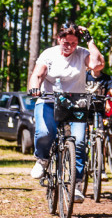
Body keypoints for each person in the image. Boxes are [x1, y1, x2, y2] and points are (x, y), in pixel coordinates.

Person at [26, 22, 105, 203]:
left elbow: (98, 65)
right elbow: (38, 74)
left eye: (74, 43)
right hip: (48, 101)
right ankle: (42, 159)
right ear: (59, 39)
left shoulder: (83, 53)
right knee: (45, 133)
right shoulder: (49, 53)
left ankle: (76, 184)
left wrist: (90, 40)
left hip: (76, 103)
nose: (69, 46)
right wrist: (34, 88)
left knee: (78, 143)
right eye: (66, 42)